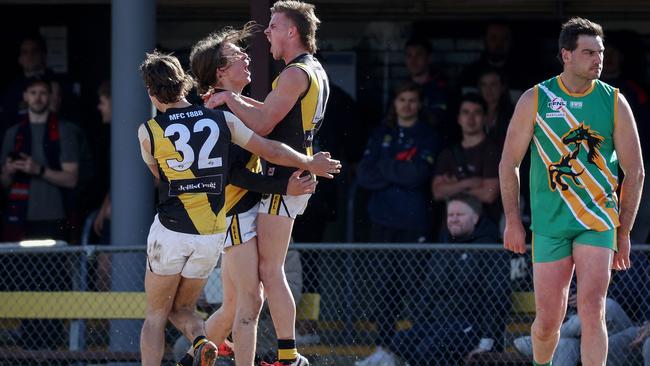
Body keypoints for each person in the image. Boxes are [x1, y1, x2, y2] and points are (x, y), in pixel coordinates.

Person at [136, 51, 339, 366]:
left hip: (175, 226)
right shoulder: (221, 118)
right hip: (212, 230)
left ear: (151, 92)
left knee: (159, 314)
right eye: (237, 56)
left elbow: (160, 175)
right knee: (207, 306)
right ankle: (202, 343)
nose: (246, 57)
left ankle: (198, 348)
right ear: (185, 82)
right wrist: (308, 162)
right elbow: (268, 149)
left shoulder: (148, 131)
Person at [500, 17, 644, 365]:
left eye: (601, 52)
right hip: (549, 223)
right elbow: (508, 163)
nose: (599, 60)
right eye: (589, 52)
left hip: (597, 220)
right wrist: (513, 221)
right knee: (549, 321)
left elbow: (635, 171)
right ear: (565, 55)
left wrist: (623, 232)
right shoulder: (536, 99)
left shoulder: (614, 102)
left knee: (593, 309)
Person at [204, 2, 329, 365]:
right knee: (238, 301)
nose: (267, 32)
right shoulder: (312, 70)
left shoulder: (293, 74)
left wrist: (228, 98)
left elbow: (264, 125)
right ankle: (201, 350)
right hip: (281, 178)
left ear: (292, 31)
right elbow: (267, 120)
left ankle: (289, 356)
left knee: (266, 276)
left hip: (282, 178)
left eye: (273, 26)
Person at [353, 81, 439, 366]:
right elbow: (364, 175)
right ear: (395, 103)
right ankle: (384, 349)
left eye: (412, 100)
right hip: (381, 222)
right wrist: (399, 171)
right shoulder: (382, 133)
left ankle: (411, 349)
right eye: (402, 99)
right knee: (383, 288)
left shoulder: (427, 134)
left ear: (419, 104)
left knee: (414, 289)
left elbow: (419, 175)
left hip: (414, 224)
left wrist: (386, 168)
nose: (407, 105)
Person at [382, 193, 509, 365]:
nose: (454, 219)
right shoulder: (443, 248)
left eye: (460, 215)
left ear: (475, 218)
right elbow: (427, 291)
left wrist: (488, 340)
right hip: (438, 323)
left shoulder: (490, 249)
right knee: (400, 341)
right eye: (450, 215)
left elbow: (496, 297)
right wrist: (420, 321)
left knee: (428, 348)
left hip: (472, 326)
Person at [432, 93, 501, 224]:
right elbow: (437, 192)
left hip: (484, 226)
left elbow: (489, 194)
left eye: (477, 113)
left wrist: (453, 186)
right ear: (458, 118)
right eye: (466, 112)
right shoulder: (448, 153)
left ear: (485, 118)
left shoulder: (493, 151)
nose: (471, 118)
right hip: (453, 226)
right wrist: (468, 183)